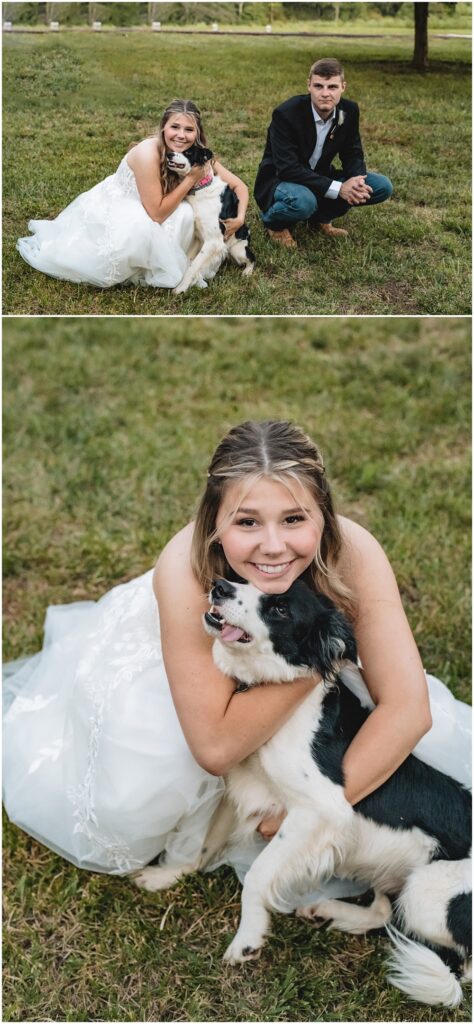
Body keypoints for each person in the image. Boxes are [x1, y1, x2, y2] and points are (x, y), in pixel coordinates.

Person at [3, 421, 471, 900]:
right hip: (197, 691)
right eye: (247, 522)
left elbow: (408, 709)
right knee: (134, 797)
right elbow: (215, 748)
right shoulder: (184, 569)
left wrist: (306, 809)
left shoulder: (354, 552)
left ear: (324, 516)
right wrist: (317, 659)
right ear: (214, 523)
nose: (273, 546)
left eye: (294, 519)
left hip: (292, 670)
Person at [16, 99, 249, 290]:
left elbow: (240, 187)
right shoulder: (148, 153)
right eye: (174, 127)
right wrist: (190, 180)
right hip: (126, 206)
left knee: (188, 212)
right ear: (163, 128)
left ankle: (185, 256)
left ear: (197, 133)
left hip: (158, 204)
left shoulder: (198, 155)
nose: (181, 135)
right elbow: (156, 214)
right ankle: (155, 263)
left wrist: (239, 218)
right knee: (182, 215)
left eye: (189, 129)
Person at [254, 58, 393, 249]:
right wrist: (339, 188)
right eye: (319, 86)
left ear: (343, 87)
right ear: (309, 85)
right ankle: (274, 223)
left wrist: (356, 181)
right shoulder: (286, 113)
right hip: (282, 179)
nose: (325, 93)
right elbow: (287, 168)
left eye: (332, 87)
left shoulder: (349, 110)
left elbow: (353, 152)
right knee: (304, 201)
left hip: (320, 175)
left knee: (381, 186)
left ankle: (321, 219)